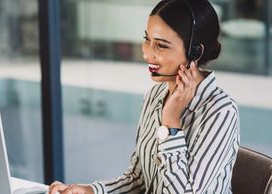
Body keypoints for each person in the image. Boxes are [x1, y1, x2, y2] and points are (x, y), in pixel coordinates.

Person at [49, 0, 240, 193]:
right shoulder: (155, 95)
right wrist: (90, 191)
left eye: (161, 46)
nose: (147, 53)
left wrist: (171, 122)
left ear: (195, 52)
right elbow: (138, 178)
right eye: (147, 39)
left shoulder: (220, 112)